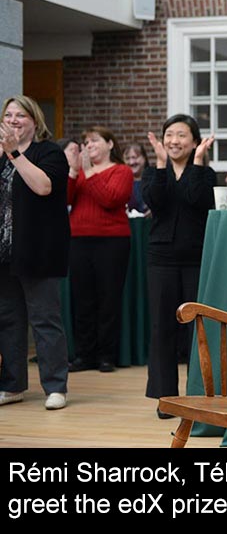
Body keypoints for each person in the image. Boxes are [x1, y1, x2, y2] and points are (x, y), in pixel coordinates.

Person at [141, 114, 215, 417]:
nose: (174, 141)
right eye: (169, 134)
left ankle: (198, 395)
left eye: (182, 135)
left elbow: (197, 200)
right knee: (162, 327)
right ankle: (165, 397)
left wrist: (197, 164)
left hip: (196, 257)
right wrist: (160, 166)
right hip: (161, 259)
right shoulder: (152, 172)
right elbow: (155, 202)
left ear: (195, 141)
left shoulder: (206, 173)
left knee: (195, 328)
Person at [0, 95, 71, 410]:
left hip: (38, 250)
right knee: (8, 320)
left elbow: (43, 187)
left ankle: (55, 387)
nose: (14, 120)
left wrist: (14, 152)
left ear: (34, 120)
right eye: (9, 115)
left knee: (44, 320)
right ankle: (13, 385)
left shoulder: (49, 152)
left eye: (20, 115)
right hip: (5, 252)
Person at [66, 126, 133, 373]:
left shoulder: (122, 171)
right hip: (79, 240)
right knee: (82, 299)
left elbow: (111, 199)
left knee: (108, 299)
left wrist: (88, 171)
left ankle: (106, 355)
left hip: (111, 241)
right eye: (86, 142)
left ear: (110, 144)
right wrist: (73, 172)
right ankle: (84, 354)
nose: (89, 145)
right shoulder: (80, 172)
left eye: (94, 141)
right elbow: (65, 199)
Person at [123, 143, 149, 214]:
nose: (131, 162)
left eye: (135, 157)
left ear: (144, 158)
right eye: (127, 158)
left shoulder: (154, 179)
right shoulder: (121, 183)